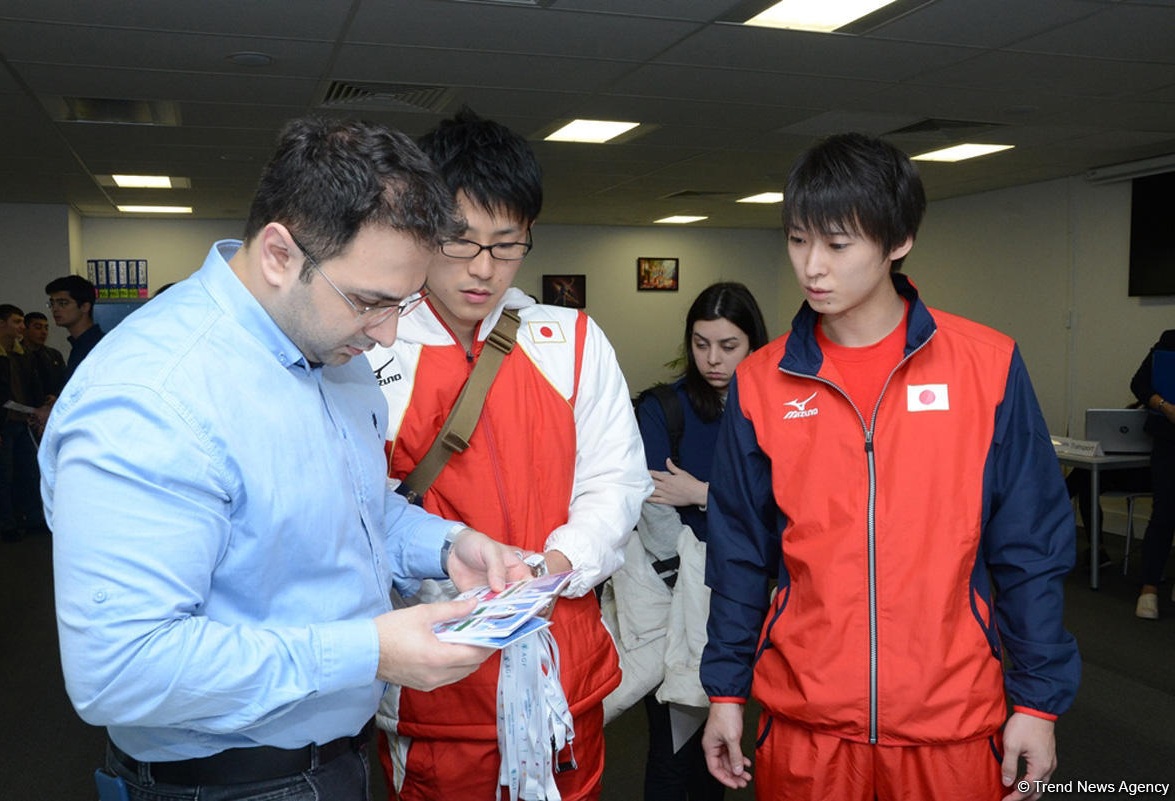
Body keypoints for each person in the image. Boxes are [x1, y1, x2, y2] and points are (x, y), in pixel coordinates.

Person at [41, 116, 532, 801]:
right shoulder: (152, 396)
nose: (388, 334)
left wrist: (446, 544)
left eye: (403, 303)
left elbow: (350, 507)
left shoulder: (337, 351)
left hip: (341, 759)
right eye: (370, 301)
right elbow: (119, 669)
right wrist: (370, 650)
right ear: (279, 254)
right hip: (224, 783)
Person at [700, 133, 1080, 801]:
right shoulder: (761, 382)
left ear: (897, 239)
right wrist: (726, 689)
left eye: (837, 244)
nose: (811, 265)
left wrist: (1039, 701)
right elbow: (738, 553)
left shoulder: (985, 366)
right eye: (796, 239)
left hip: (951, 724)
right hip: (806, 724)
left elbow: (1029, 548)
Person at [365, 108, 650, 800]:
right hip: (435, 685)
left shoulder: (571, 340)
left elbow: (616, 482)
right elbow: (354, 510)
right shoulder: (371, 345)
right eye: (459, 242)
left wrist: (559, 563)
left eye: (507, 243)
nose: (483, 269)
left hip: (562, 667)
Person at [636, 282, 768, 801]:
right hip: (671, 596)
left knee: (722, 734)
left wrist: (701, 493)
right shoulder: (662, 408)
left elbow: (788, 514)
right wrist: (733, 503)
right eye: (701, 343)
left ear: (754, 343)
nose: (713, 359)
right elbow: (651, 503)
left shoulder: (777, 412)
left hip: (744, 597)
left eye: (729, 346)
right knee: (671, 745)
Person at [0, 303, 47, 542]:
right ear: (1, 323)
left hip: (24, 423)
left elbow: (31, 387)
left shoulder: (23, 354)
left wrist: (39, 410)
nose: (22, 327)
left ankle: (35, 520)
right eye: (17, 322)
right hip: (0, 426)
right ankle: (8, 525)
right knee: (4, 477)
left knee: (31, 473)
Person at [1131, 329, 1175, 619]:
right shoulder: (1169, 341)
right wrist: (1165, 406)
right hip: (1169, 439)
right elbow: (1140, 384)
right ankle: (1149, 589)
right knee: (1164, 513)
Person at [45, 273, 104, 380]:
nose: (55, 309)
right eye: (52, 303)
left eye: (63, 303)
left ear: (85, 307)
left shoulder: (96, 347)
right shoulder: (79, 344)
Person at [22, 311, 67, 399]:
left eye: (46, 328)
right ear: (24, 330)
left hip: (51, 405)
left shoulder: (54, 355)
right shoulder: (16, 354)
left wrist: (56, 396)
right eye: (38, 328)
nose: (44, 332)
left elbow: (64, 381)